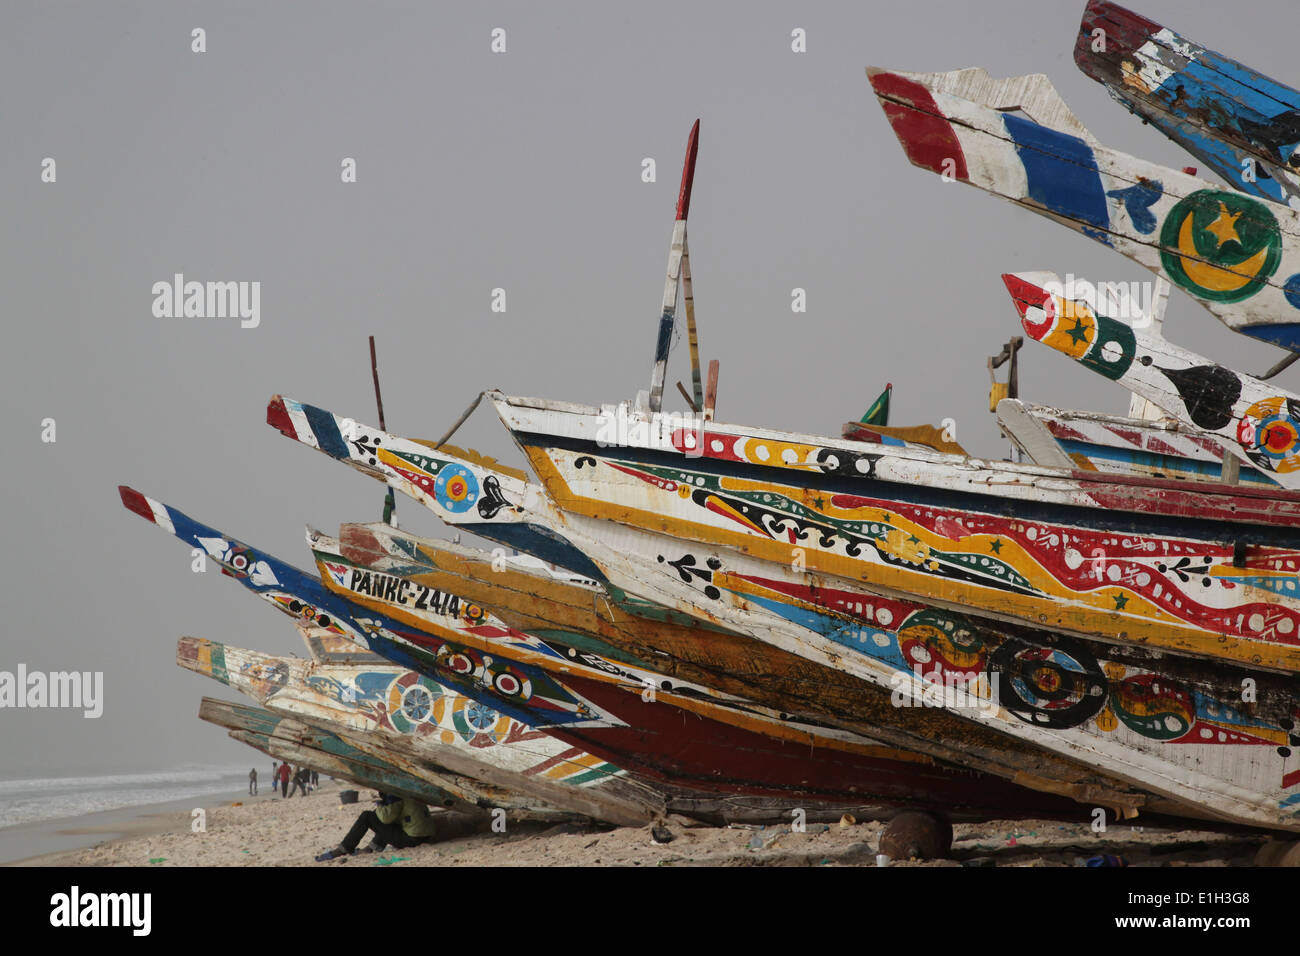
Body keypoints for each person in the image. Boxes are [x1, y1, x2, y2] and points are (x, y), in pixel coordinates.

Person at [316, 794, 441, 860]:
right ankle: (372, 847)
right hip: (426, 836)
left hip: (413, 839)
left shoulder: (395, 795)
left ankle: (344, 848)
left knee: (367, 816)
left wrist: (380, 805)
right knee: (387, 822)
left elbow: (384, 818)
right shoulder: (406, 792)